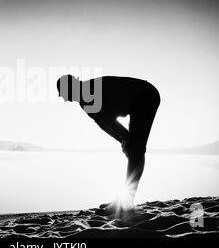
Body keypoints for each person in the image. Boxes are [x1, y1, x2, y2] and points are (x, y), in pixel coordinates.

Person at [56, 74, 160, 215]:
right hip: (139, 98)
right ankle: (123, 200)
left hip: (145, 96)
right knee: (134, 148)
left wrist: (125, 140)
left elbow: (108, 122)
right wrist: (124, 140)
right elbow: (104, 124)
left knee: (136, 149)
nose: (64, 99)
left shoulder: (88, 94)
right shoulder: (84, 98)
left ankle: (125, 202)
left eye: (63, 94)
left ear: (70, 87)